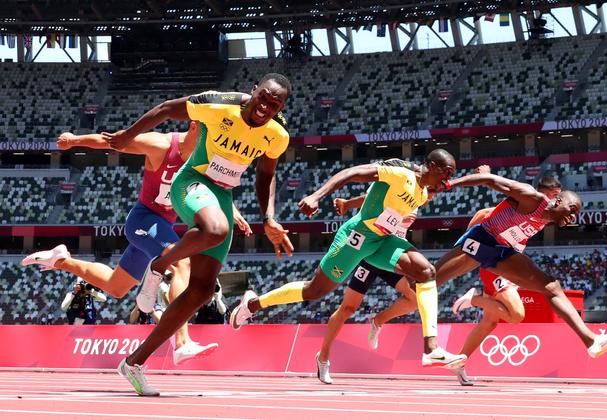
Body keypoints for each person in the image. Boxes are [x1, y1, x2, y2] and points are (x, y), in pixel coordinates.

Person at [103, 74, 294, 396]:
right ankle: (159, 266)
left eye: (273, 104)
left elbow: (265, 176)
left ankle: (134, 362)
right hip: (191, 182)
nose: (264, 107)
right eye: (262, 98)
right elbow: (165, 109)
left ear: (281, 107)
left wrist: (269, 218)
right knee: (216, 229)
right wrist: (127, 136)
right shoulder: (218, 104)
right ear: (253, 91)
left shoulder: (276, 136)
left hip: (222, 196)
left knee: (203, 290)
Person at [22, 123, 241, 366]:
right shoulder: (162, 144)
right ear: (193, 127)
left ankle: (60, 259)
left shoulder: (204, 158)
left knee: (116, 286)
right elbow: (113, 141)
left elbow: (213, 190)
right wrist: (75, 139)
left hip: (159, 228)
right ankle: (181, 343)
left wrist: (232, 210)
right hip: (143, 220)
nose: (212, 142)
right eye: (208, 135)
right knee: (182, 265)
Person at [231, 149, 467, 370]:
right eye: (446, 173)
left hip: (382, 242)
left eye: (452, 176)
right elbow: (351, 173)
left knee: (427, 272)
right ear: (432, 166)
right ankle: (252, 304)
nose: (448, 180)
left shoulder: (423, 194)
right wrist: (317, 195)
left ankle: (431, 349)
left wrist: (352, 203)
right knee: (314, 291)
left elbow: (372, 198)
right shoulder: (400, 172)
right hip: (357, 237)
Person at [424, 171, 607, 367]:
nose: (573, 217)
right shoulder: (533, 199)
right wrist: (450, 184)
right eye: (572, 209)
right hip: (482, 240)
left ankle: (592, 341)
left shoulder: (548, 217)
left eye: (576, 214)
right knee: (426, 282)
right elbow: (489, 181)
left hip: (502, 252)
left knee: (552, 286)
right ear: (556, 200)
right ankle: (432, 342)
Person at [315, 165, 429, 384]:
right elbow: (368, 198)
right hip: (369, 251)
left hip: (389, 253)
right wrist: (348, 204)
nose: (430, 195)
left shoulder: (421, 195)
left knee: (415, 299)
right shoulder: (399, 185)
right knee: (348, 308)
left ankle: (378, 320)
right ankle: (323, 357)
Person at [449, 175, 562, 386]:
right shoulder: (528, 203)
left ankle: (459, 362)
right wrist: (469, 243)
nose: (557, 201)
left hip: (509, 265)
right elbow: (484, 213)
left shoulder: (545, 215)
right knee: (517, 315)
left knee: (489, 323)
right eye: (554, 196)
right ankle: (476, 298)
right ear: (543, 193)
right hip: (497, 265)